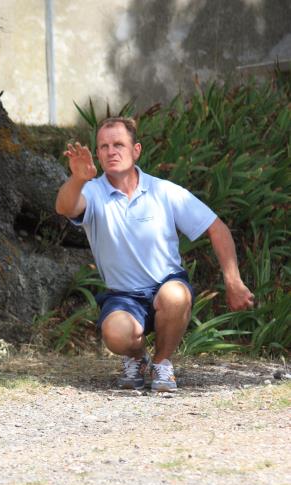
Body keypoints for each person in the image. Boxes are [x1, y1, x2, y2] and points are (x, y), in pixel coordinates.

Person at [55, 116, 254, 392]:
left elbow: (217, 229)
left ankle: (162, 363)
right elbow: (65, 207)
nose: (111, 151)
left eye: (118, 144)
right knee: (115, 335)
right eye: (103, 146)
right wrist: (77, 179)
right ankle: (138, 359)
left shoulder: (164, 191)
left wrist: (233, 281)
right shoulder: (92, 191)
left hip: (166, 285)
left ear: (136, 150)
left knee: (176, 295)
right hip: (123, 296)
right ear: (98, 154)